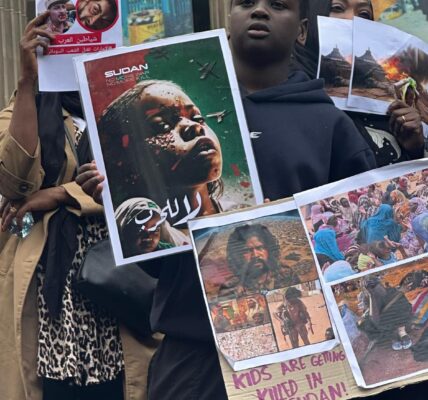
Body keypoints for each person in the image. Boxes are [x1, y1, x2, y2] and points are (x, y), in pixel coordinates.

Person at [77, 0, 376, 398]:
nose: (260, 11)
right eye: (246, 3)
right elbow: (160, 269)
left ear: (302, 30)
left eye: (278, 5)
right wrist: (123, 214)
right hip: (196, 355)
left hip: (302, 357)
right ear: (228, 21)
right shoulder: (166, 171)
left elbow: (358, 243)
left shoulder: (331, 125)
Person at [0, 13, 158, 400]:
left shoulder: (139, 104)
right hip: (48, 286)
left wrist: (59, 194)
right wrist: (28, 81)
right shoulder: (27, 102)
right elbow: (13, 181)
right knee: (51, 387)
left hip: (120, 273)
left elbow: (147, 184)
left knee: (125, 383)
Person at [291, 0, 426, 168]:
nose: (353, 20)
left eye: (364, 14)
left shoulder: (389, 104)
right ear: (303, 28)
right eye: (337, 8)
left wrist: (414, 148)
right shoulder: (290, 93)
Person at [218, 223, 298, 297]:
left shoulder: (286, 275)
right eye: (248, 250)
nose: (255, 255)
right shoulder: (229, 288)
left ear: (268, 249)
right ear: (238, 255)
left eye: (260, 248)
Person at [114, 197, 188, 257]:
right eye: (140, 230)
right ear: (124, 231)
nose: (148, 237)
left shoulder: (169, 249)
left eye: (154, 229)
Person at [358, 275, 413, 351]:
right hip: (384, 324)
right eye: (371, 288)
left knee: (400, 305)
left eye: (375, 286)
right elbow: (374, 320)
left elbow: (406, 308)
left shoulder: (392, 291)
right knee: (365, 323)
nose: (375, 289)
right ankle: (393, 337)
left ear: (380, 284)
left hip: (399, 321)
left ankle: (402, 333)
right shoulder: (367, 299)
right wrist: (371, 295)